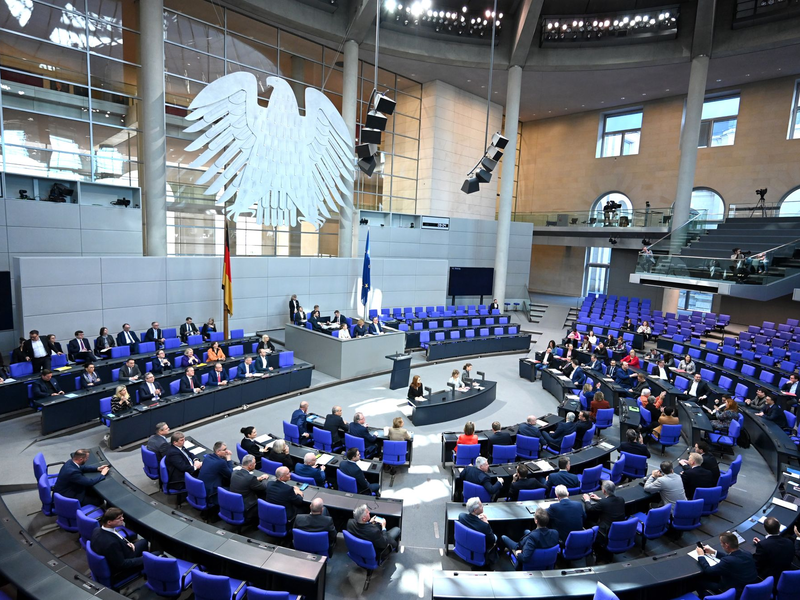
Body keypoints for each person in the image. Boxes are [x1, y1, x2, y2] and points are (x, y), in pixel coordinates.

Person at [90, 508, 148, 585]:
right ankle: (146, 568)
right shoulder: (111, 543)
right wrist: (143, 559)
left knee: (144, 542)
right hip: (120, 564)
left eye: (122, 516)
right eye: (119, 518)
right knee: (155, 555)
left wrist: (127, 543)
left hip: (121, 551)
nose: (122, 519)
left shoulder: (97, 530)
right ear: (109, 522)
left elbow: (115, 537)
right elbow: (122, 564)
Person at [697, 532, 759, 597]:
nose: (721, 544)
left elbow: (709, 570)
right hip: (749, 589)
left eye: (721, 543)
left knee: (698, 582)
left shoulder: (727, 561)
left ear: (726, 545)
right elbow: (733, 557)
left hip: (735, 592)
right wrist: (714, 552)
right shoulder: (747, 554)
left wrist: (701, 556)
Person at [583, 480, 626, 552]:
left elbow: (589, 509)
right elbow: (610, 502)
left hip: (606, 531)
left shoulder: (603, 502)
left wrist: (587, 500)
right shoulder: (621, 499)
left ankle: (593, 547)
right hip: (619, 529)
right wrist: (599, 499)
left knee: (587, 521)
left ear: (604, 491)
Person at [752, 517, 795, 583]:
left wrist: (761, 544)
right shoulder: (789, 542)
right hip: (785, 573)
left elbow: (756, 564)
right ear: (779, 527)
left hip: (769, 578)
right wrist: (762, 544)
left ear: (765, 529)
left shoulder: (763, 545)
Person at [229, 454, 269, 523]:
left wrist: (257, 479)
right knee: (264, 496)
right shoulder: (250, 478)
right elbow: (263, 487)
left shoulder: (234, 472)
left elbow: (246, 480)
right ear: (250, 466)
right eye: (254, 463)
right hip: (247, 505)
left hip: (234, 502)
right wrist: (264, 478)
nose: (256, 464)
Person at [458, 497, 497, 564]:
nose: (483, 507)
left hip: (467, 544)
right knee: (496, 537)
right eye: (481, 506)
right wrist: (486, 523)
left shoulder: (461, 516)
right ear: (475, 510)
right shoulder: (484, 526)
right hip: (479, 549)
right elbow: (492, 539)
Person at [198, 441, 233, 506]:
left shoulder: (208, 457)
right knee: (234, 488)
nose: (227, 451)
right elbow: (231, 474)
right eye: (224, 450)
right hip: (212, 491)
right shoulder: (220, 463)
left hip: (203, 487)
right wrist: (229, 459)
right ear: (218, 452)